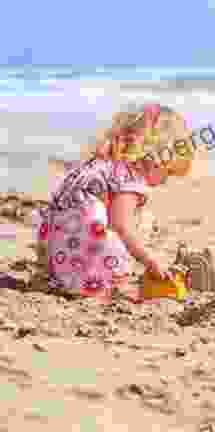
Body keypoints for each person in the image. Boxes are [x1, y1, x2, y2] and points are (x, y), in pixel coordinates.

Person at [35, 103, 197, 302]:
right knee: (128, 231)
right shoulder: (129, 178)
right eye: (168, 172)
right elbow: (120, 225)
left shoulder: (104, 163)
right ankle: (106, 285)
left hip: (52, 244)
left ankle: (68, 279)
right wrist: (150, 260)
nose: (165, 181)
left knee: (121, 222)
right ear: (156, 160)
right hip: (79, 244)